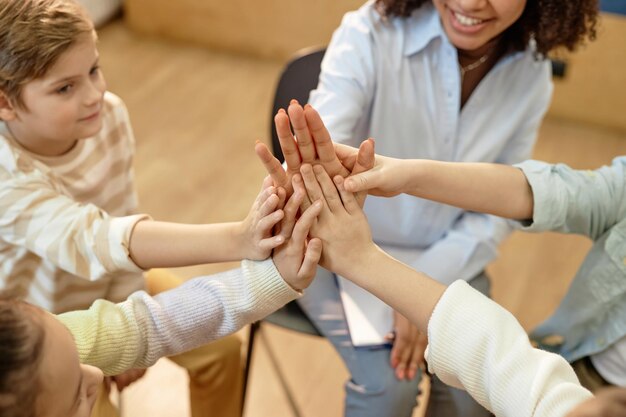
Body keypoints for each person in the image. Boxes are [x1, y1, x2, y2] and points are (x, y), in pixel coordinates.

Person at [270, 0, 599, 414]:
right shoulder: (371, 31)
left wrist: (422, 285)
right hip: (334, 251)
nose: (470, 3)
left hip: (451, 253)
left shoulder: (532, 74)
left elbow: (501, 207)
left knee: (481, 389)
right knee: (390, 390)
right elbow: (321, 144)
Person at [0, 1, 285, 415]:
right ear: (5, 102)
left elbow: (120, 214)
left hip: (114, 286)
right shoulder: (7, 174)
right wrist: (238, 238)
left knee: (221, 352)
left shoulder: (108, 115)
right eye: (65, 88)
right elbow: (93, 238)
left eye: (94, 70)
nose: (94, 95)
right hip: (48, 334)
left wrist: (126, 307)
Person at [293, 161, 626, 417]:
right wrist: (406, 174)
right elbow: (555, 191)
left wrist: (363, 260)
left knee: (394, 388)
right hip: (575, 359)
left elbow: (506, 366)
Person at [0, 182, 324, 417]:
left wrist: (274, 278)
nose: (96, 375)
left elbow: (154, 324)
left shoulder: (47, 346)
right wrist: (238, 240)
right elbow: (95, 239)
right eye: (75, 398)